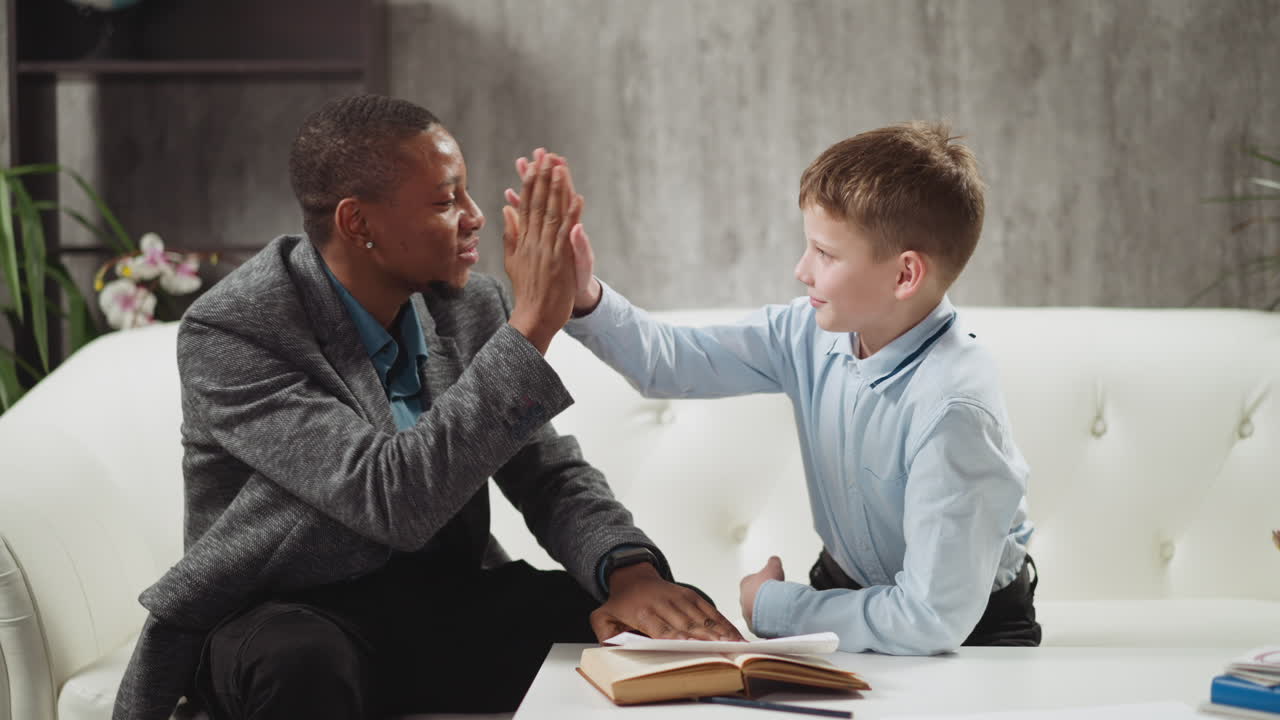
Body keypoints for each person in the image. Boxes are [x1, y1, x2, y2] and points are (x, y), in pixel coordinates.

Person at [113, 94, 741, 720]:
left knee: (663, 630)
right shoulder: (237, 329)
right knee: (302, 660)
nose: (474, 217)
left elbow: (546, 470)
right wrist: (531, 331)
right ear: (359, 224)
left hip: (439, 598)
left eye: (467, 194)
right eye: (446, 201)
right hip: (285, 610)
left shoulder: (467, 304)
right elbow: (389, 497)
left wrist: (628, 573)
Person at [509, 123, 1040, 655]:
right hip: (849, 593)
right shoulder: (808, 331)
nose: (801, 269)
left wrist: (775, 606)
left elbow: (930, 619)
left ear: (905, 275)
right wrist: (582, 294)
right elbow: (671, 363)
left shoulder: (954, 410)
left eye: (825, 253)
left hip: (971, 627)